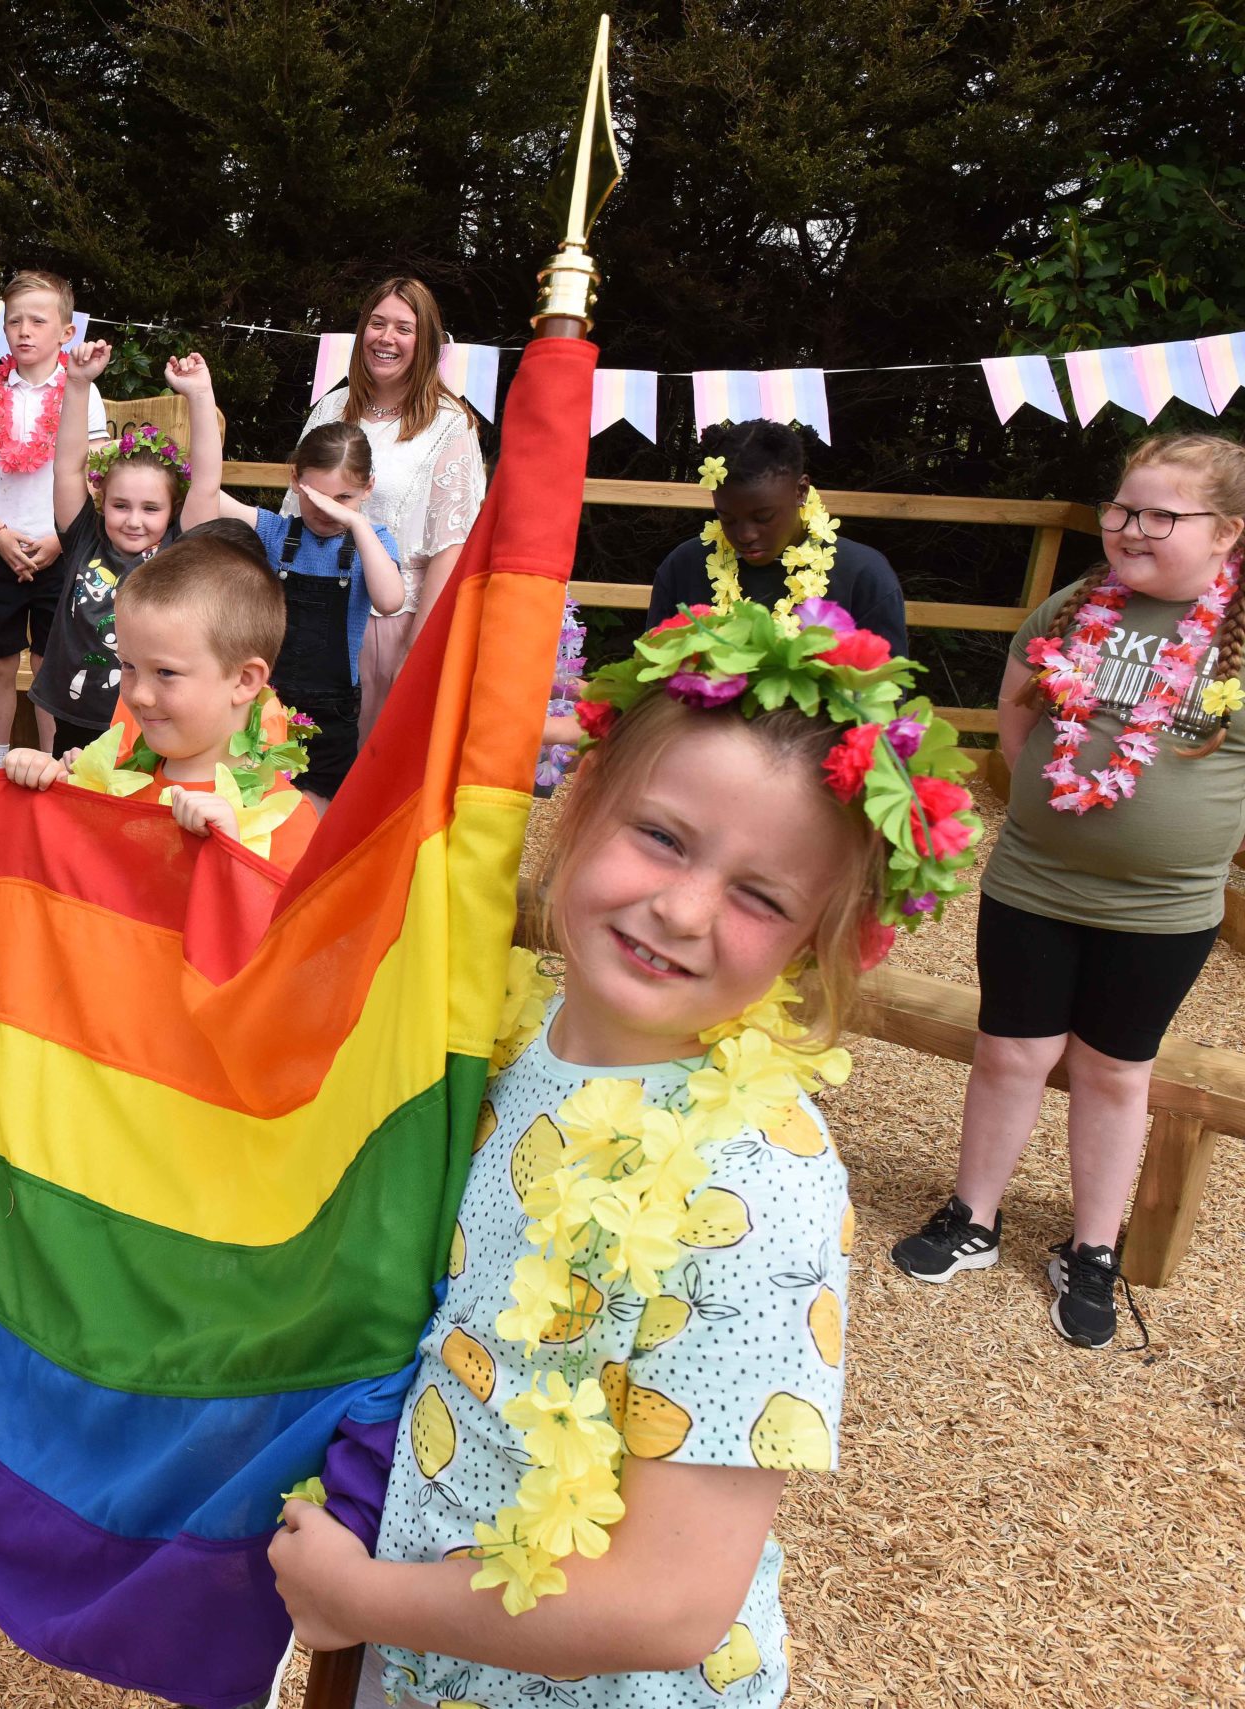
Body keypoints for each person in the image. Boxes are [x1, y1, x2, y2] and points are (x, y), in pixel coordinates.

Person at [269, 600, 982, 1709]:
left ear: (818, 941)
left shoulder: (758, 1189)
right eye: (661, 835)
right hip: (421, 1634)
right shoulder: (509, 1029)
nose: (684, 907)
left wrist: (361, 1600)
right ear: (585, 804)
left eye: (760, 895)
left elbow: (671, 1599)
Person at [892, 433, 1245, 1347]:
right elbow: (1015, 715)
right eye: (1122, 507)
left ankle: (1090, 1248)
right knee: (1010, 1051)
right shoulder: (1076, 602)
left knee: (1115, 1070)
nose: (1130, 527)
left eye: (1161, 515)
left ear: (1228, 534)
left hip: (1163, 909)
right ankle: (973, 1212)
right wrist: (1049, 806)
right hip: (1036, 882)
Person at [2, 529, 321, 867]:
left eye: (166, 672)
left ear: (243, 680)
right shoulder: (113, 784)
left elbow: (286, 919)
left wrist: (234, 857)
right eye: (127, 665)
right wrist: (48, 791)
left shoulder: (285, 820)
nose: (138, 694)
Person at [170, 351, 405, 805]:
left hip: (331, 715)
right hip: (263, 703)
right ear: (295, 480)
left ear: (368, 489)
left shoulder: (371, 543)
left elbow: (391, 600)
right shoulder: (277, 531)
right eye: (316, 495)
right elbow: (202, 499)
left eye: (344, 497)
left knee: (316, 816)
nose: (327, 510)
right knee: (254, 806)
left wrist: (357, 523)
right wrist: (201, 397)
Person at [294, 276, 488, 739]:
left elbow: (451, 546)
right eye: (377, 324)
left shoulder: (449, 424)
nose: (386, 338)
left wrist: (416, 653)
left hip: (389, 626)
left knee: (367, 762)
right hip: (314, 607)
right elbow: (295, 510)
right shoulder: (330, 407)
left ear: (426, 344)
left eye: (404, 328)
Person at [0, 270, 108, 765]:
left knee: (51, 664)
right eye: (14, 320)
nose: (24, 330)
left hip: (60, 549)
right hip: (0, 547)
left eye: (37, 321)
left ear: (66, 332)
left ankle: (49, 760)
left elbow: (97, 476)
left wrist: (59, 542)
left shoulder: (80, 392)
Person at [27, 342, 187, 757]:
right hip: (76, 712)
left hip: (147, 716)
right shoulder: (84, 535)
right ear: (102, 501)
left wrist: (199, 397)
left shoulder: (178, 550)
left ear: (172, 512)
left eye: (151, 508)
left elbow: (204, 482)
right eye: (120, 505)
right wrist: (77, 383)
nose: (134, 520)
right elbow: (67, 466)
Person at [647, 421, 907, 654]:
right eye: (727, 518)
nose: (745, 535)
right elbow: (653, 676)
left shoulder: (864, 575)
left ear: (801, 490)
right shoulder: (683, 567)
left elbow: (887, 695)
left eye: (763, 518)